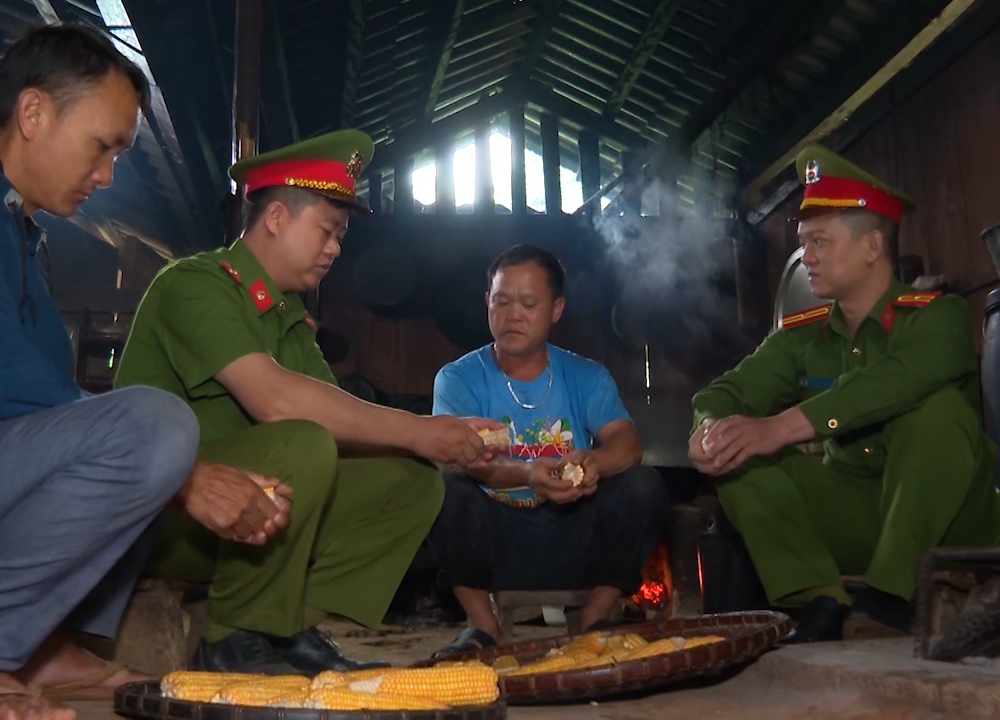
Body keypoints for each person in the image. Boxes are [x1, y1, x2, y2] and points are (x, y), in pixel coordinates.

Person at [0, 24, 282, 720]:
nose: (108, 174)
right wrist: (185, 477)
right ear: (33, 114)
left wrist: (172, 470)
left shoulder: (19, 233)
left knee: (138, 438)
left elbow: (41, 408)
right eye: (103, 146)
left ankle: (39, 646)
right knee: (152, 428)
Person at [113, 129, 499, 675]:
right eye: (327, 230)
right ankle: (229, 638)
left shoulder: (289, 320)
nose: (336, 248)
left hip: (247, 521)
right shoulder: (195, 285)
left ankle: (284, 623)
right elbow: (275, 401)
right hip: (171, 513)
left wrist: (440, 443)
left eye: (339, 236)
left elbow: (342, 424)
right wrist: (420, 427)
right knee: (303, 440)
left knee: (411, 480)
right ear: (275, 218)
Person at [690, 144, 1000, 643]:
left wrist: (784, 426)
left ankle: (890, 598)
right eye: (803, 243)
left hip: (951, 525)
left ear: (872, 247)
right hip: (857, 519)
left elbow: (893, 382)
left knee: (938, 410)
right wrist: (709, 428)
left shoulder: (936, 317)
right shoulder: (801, 336)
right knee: (736, 454)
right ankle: (820, 603)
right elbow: (726, 391)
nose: (805, 258)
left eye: (819, 242)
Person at [427, 244, 671, 656]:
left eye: (528, 303)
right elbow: (457, 455)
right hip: (496, 537)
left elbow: (627, 444)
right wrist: (527, 474)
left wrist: (593, 461)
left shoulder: (586, 376)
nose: (512, 314)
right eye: (501, 301)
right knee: (443, 484)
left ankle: (593, 616)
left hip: (572, 533)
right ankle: (483, 628)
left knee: (643, 485)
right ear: (487, 302)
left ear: (555, 309)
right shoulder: (458, 378)